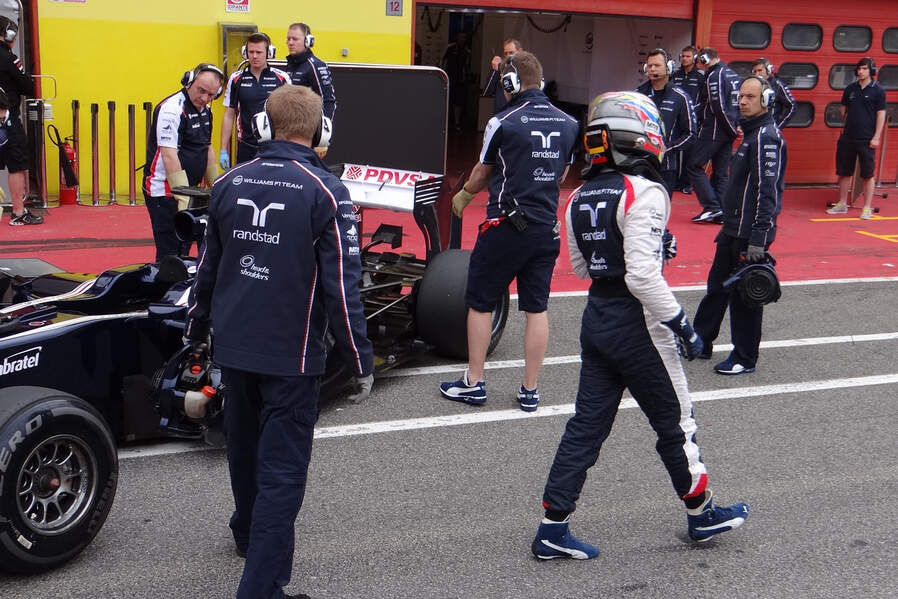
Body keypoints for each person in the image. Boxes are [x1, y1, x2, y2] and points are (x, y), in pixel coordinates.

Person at [531, 91, 748, 560]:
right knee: (676, 423)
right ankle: (702, 513)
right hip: (639, 325)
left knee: (585, 428)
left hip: (598, 319)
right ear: (639, 136)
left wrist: (649, 247)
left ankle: (552, 527)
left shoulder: (579, 195)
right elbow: (642, 276)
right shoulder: (645, 190)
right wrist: (683, 325)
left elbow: (581, 267)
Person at [184, 84, 374, 599]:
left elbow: (206, 272)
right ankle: (261, 588)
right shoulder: (328, 190)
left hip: (235, 348)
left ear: (261, 127)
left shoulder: (228, 183)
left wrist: (197, 335)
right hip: (292, 358)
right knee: (283, 474)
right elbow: (342, 286)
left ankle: (247, 533)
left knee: (243, 450)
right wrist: (360, 361)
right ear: (320, 132)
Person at [439, 51, 578, 412]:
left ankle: (475, 381)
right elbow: (562, 174)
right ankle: (530, 390)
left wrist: (464, 195)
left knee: (481, 302)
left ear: (510, 83)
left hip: (505, 225)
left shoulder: (503, 121)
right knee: (536, 309)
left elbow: (483, 173)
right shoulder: (569, 122)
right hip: (546, 229)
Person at [693, 76, 786, 375]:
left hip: (750, 233)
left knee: (746, 296)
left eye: (750, 96)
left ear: (766, 100)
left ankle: (744, 358)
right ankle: (700, 341)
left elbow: (766, 191)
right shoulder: (749, 135)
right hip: (733, 228)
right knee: (716, 287)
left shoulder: (765, 138)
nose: (743, 102)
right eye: (741, 96)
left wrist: (758, 238)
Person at [143, 63, 222, 261]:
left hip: (191, 190)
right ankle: (165, 289)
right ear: (189, 82)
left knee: (186, 248)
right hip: (165, 191)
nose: (204, 98)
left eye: (211, 95)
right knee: (170, 252)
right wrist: (182, 195)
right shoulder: (172, 109)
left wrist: (218, 187)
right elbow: (169, 155)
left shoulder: (206, 111)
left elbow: (207, 147)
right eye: (201, 91)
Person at [219, 32, 291, 168]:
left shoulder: (282, 78)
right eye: (250, 52)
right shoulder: (236, 79)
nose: (254, 56)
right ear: (245, 53)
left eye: (259, 52)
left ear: (268, 53)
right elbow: (229, 114)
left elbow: (291, 115)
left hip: (274, 146)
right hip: (246, 146)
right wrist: (223, 149)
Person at [826, 57, 886, 220]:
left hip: (867, 139)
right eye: (859, 69)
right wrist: (850, 122)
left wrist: (876, 137)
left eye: (864, 69)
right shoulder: (850, 89)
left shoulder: (878, 90)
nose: (861, 71)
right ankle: (842, 203)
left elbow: (881, 114)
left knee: (867, 173)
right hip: (848, 137)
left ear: (871, 71)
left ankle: (867, 207)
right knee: (844, 172)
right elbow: (843, 107)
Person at [687, 47, 740, 224]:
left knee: (693, 165)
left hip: (715, 130)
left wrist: (730, 129)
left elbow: (718, 106)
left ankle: (712, 207)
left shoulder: (714, 76)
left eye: (701, 59)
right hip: (727, 131)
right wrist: (735, 127)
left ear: (706, 58)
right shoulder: (732, 74)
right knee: (721, 173)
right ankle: (721, 211)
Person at [636, 48, 696, 195]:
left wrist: (666, 149)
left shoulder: (681, 97)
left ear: (669, 67)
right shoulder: (637, 95)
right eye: (649, 66)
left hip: (666, 168)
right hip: (638, 166)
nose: (652, 69)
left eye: (656, 65)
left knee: (659, 214)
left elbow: (691, 134)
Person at [0, 15, 38, 226]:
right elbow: (27, 86)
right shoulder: (8, 58)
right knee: (16, 165)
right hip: (7, 119)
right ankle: (18, 211)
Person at [285, 22, 336, 156]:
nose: (290, 42)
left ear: (308, 41)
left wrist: (323, 137)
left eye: (295, 39)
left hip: (309, 134)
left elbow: (328, 101)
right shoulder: (290, 65)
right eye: (288, 39)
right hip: (290, 133)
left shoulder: (316, 66)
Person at [671, 45, 704, 194]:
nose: (684, 59)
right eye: (683, 56)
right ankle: (674, 181)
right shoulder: (675, 75)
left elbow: (705, 99)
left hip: (693, 119)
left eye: (688, 56)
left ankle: (686, 183)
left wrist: (695, 111)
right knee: (675, 148)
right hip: (676, 118)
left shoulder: (700, 76)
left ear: (695, 58)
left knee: (690, 151)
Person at [751, 57, 795, 128]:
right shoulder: (752, 86)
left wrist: (778, 126)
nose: (757, 74)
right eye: (755, 71)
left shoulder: (777, 86)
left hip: (770, 129)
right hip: (754, 129)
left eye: (760, 70)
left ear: (768, 71)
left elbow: (792, 106)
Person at [482, 38, 522, 115]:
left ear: (519, 51)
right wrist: (494, 70)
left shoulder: (525, 70)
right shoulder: (501, 70)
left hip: (518, 115)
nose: (508, 56)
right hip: (501, 115)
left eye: (511, 52)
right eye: (505, 53)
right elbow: (487, 92)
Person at [442, 30, 471, 131]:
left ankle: (457, 123)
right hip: (449, 79)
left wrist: (466, 79)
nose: (461, 39)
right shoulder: (450, 48)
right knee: (447, 101)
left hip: (460, 81)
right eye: (460, 37)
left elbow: (467, 66)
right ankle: (445, 123)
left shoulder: (467, 51)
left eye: (464, 37)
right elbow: (443, 61)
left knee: (458, 103)